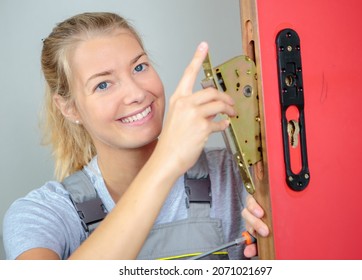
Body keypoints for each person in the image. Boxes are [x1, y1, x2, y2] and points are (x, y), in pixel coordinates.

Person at [2, 12, 268, 260]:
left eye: (139, 67)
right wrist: (167, 160)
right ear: (69, 107)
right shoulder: (41, 214)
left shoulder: (238, 175)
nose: (137, 94)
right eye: (103, 84)